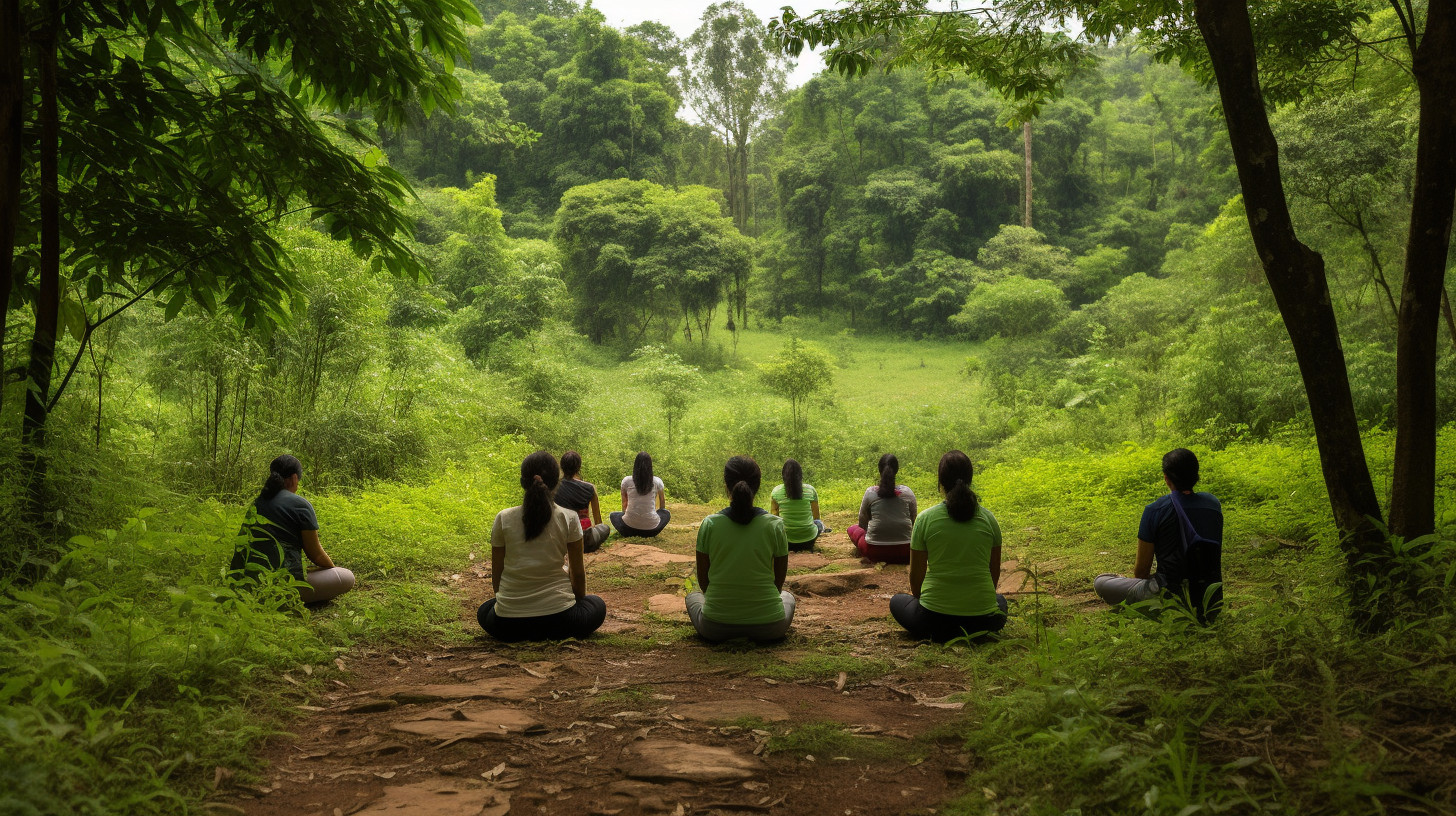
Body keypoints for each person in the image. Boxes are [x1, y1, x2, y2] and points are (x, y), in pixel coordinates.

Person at [478, 450, 607, 642]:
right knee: (596, 604)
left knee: (484, 610)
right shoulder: (568, 517)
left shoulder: (503, 518)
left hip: (507, 625)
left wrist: (509, 603)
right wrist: (578, 603)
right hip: (561, 620)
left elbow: (497, 575)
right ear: (556, 483)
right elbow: (577, 574)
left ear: (523, 483)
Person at [889, 451, 1007, 643]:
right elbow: (993, 575)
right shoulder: (989, 520)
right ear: (970, 479)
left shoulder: (925, 519)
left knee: (897, 601)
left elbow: (916, 579)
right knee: (1000, 601)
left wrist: (931, 603)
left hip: (933, 622)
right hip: (984, 623)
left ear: (941, 482)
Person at [1094, 448, 1224, 619]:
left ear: (1166, 478)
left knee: (1102, 582)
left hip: (1170, 600)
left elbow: (1141, 572)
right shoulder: (1213, 504)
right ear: (1196, 475)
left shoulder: (1155, 510)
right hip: (1211, 600)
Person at [684, 455, 796, 642]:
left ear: (726, 485)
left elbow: (704, 583)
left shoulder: (709, 524)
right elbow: (779, 583)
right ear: (758, 485)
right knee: (787, 597)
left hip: (715, 627)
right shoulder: (775, 525)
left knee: (693, 597)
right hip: (770, 627)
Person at [229, 454, 355, 604]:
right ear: (295, 478)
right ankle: (286, 599)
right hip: (280, 586)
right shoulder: (300, 504)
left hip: (246, 584)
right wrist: (331, 569)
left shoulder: (257, 503)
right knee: (347, 577)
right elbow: (316, 555)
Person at [847, 453, 917, 564]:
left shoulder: (870, 492)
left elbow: (862, 522)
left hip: (875, 552)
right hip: (906, 552)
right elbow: (914, 521)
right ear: (897, 470)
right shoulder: (907, 492)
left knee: (852, 529)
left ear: (879, 470)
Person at [554, 451, 610, 553]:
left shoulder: (553, 487)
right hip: (584, 540)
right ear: (579, 467)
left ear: (561, 467)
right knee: (605, 527)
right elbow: (597, 519)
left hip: (561, 540)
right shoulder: (589, 488)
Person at [769, 458, 828, 552]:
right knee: (819, 523)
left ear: (783, 475)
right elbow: (816, 517)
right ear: (800, 474)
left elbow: (774, 518)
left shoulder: (776, 491)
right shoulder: (810, 490)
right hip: (809, 540)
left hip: (786, 541)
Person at [610, 451, 670, 537]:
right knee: (666, 513)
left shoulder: (626, 481)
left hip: (629, 528)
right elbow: (662, 504)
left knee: (614, 515)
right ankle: (646, 527)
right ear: (650, 466)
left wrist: (628, 516)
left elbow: (624, 505)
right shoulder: (657, 481)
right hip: (652, 530)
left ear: (635, 465)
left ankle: (631, 528)